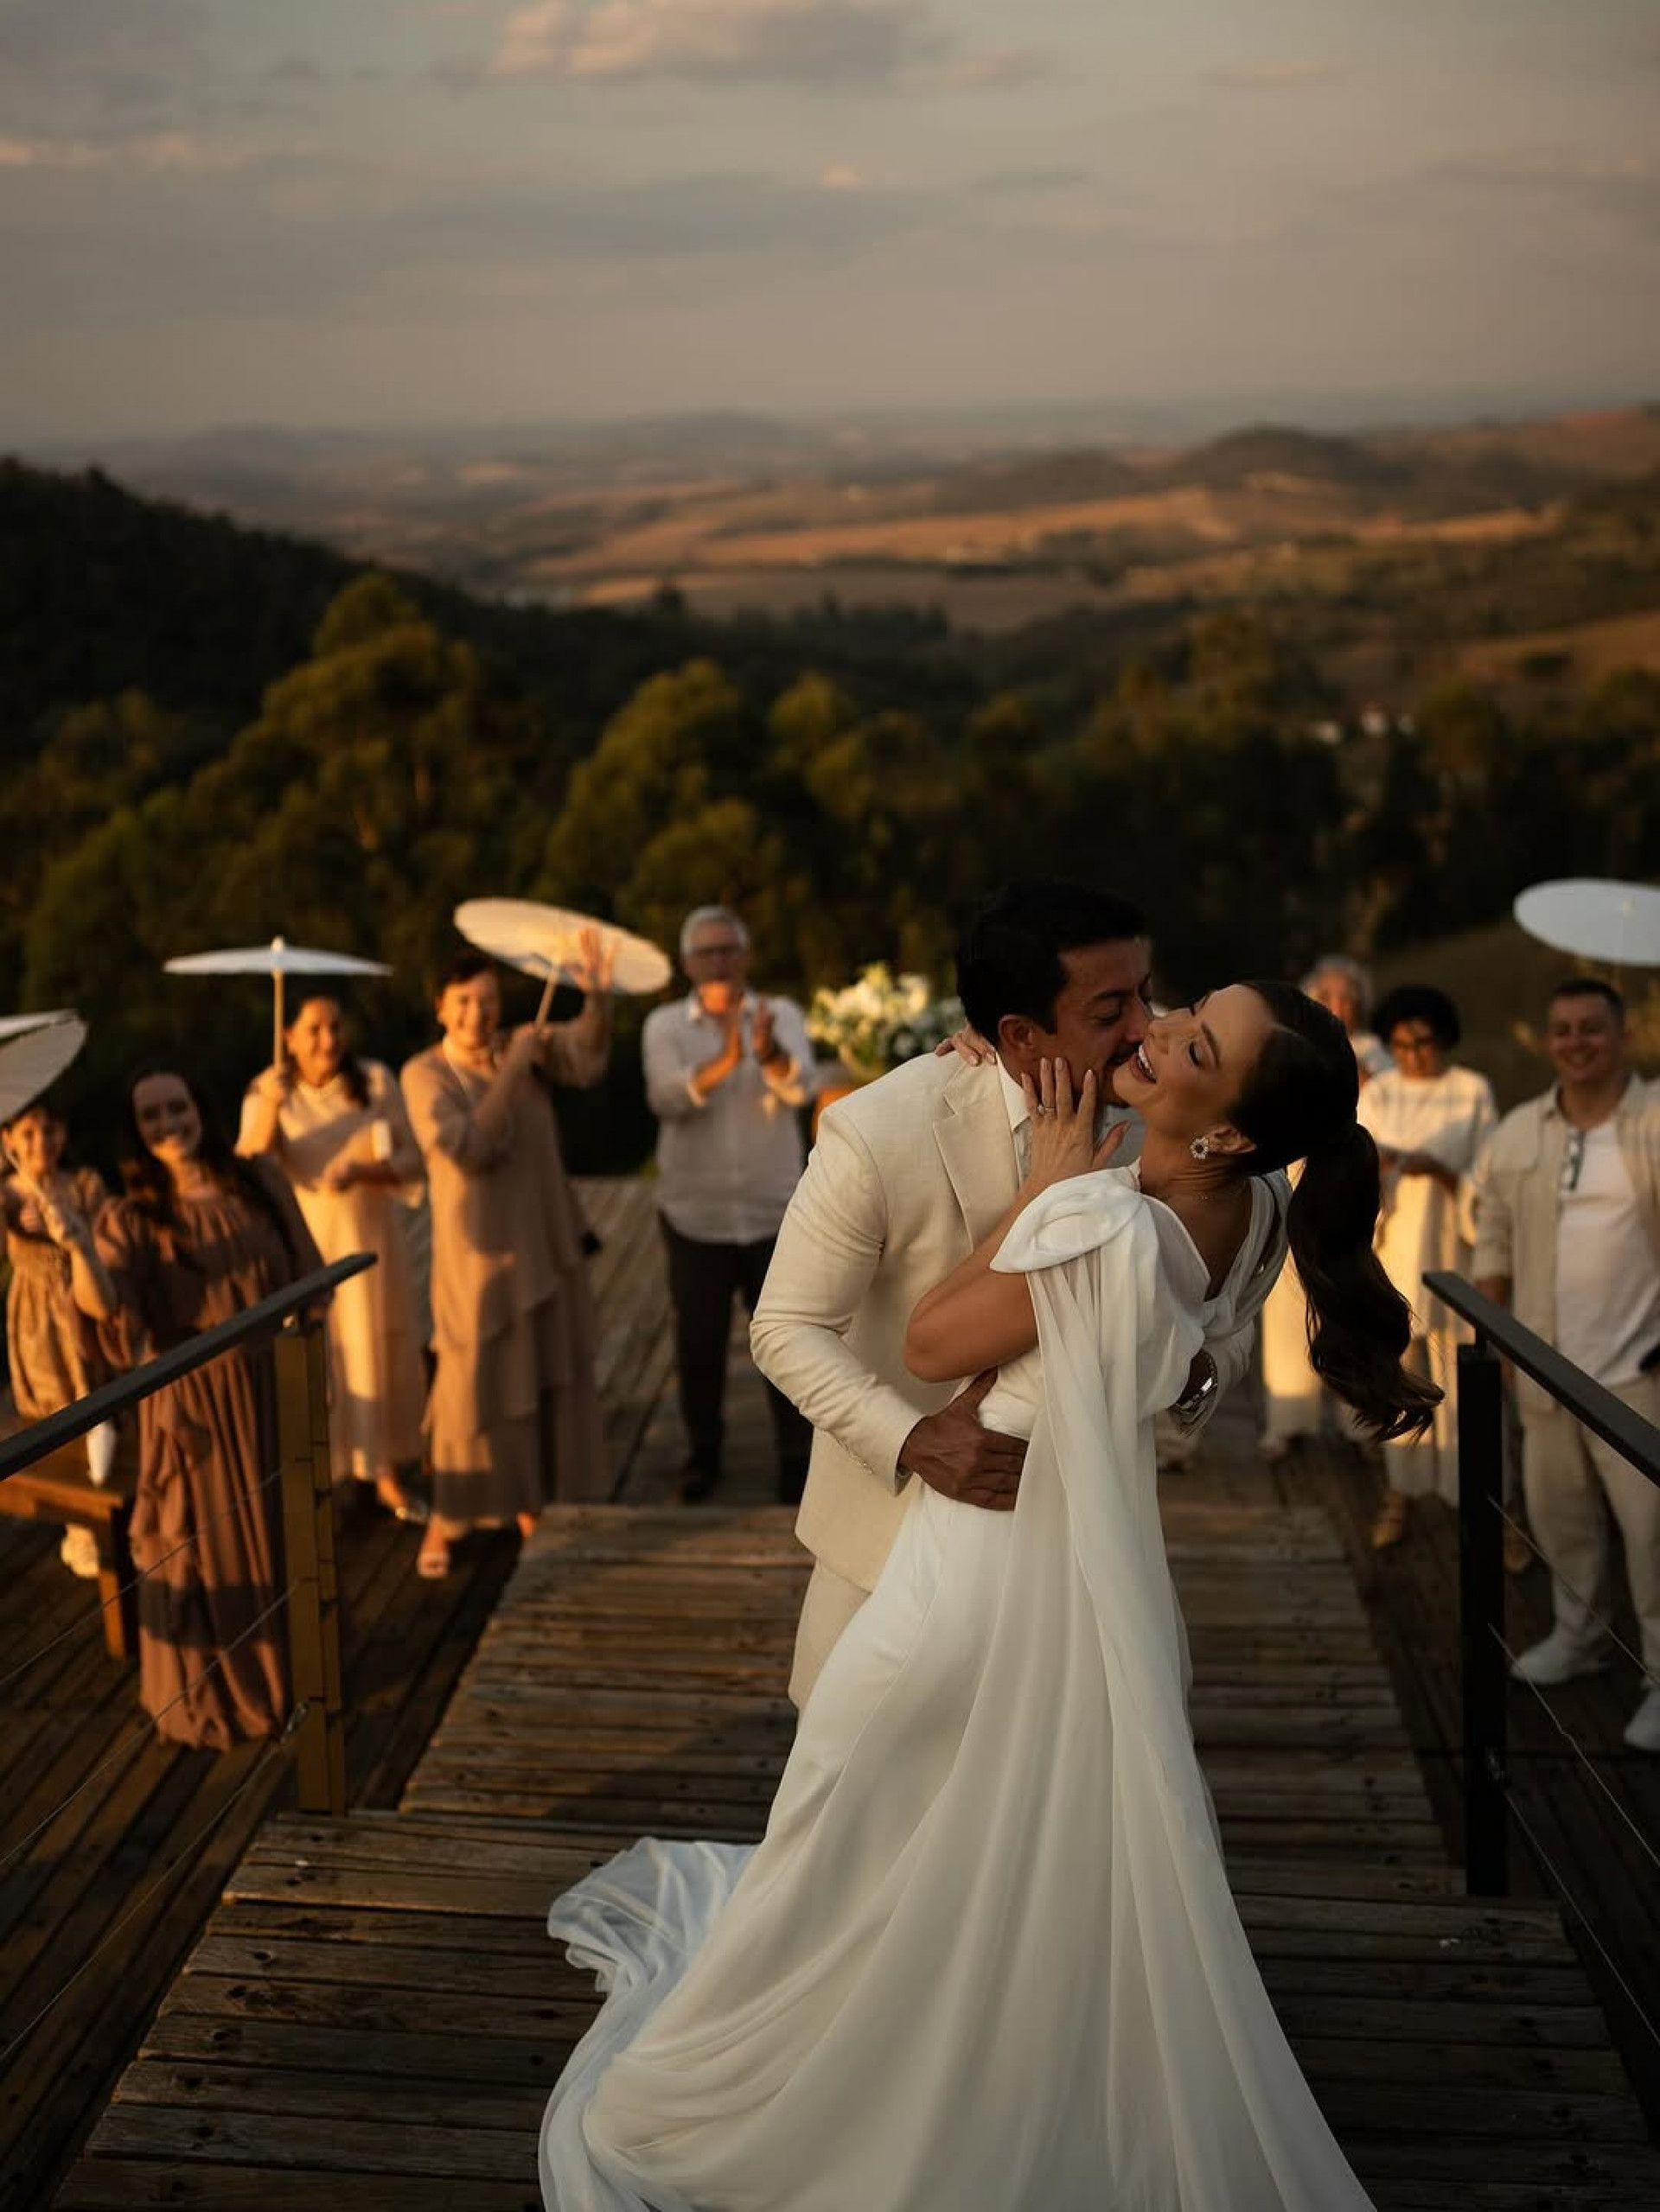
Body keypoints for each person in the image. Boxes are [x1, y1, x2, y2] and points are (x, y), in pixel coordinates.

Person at [540, 984, 1434, 2211]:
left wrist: (1050, 1184)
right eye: (1177, 1008)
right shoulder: (1257, 1205)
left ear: (1223, 1126)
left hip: (979, 1560)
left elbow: (932, 1340)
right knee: (996, 1821)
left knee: (844, 1792)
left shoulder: (1111, 1230)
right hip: (1078, 1560)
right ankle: (962, 2025)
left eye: (1191, 1042)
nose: (1157, 1026)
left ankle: (842, 2071)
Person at [751, 879, 1285, 1710]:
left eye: (1148, 993)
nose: (1146, 1026)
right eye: (1112, 1010)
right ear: (1016, 1033)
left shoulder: (1171, 1106)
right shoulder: (879, 1128)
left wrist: (1193, 1378)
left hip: (1084, 1549)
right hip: (885, 1542)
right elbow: (785, 1327)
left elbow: (1237, 1304)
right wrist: (912, 1437)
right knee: (850, 1787)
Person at [74, 1066, 322, 1751]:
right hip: (195, 1408)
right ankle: (230, 1692)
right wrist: (73, 1240)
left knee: (286, 1530)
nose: (167, 1124)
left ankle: (301, 1675)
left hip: (275, 1390)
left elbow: (311, 1273)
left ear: (201, 1109)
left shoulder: (259, 1182)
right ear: (136, 1130)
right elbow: (108, 1313)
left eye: (177, 1107)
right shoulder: (129, 1217)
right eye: (150, 1116)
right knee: (205, 1550)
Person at [1471, 978, 1660, 1753]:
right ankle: (1578, 1635)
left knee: (1652, 1534)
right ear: (1547, 1041)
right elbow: (1494, 1241)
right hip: (1546, 1363)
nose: (1576, 1041)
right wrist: (1498, 1339)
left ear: (1621, 1036)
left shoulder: (1653, 1122)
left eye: (1591, 1028)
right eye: (1562, 1030)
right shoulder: (1519, 1130)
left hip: (1639, 1370)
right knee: (1560, 1514)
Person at [400, 940, 613, 1579]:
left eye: (489, 1000)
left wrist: (597, 996)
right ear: (440, 1006)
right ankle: (451, 1511)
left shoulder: (526, 1046)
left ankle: (531, 1500)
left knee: (545, 1374)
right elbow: (466, 1146)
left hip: (546, 1242)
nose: (477, 1013)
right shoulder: (425, 1073)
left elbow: (585, 1055)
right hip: (478, 1262)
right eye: (464, 1001)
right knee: (472, 1385)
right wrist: (515, 1064)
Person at [642, 906, 816, 1505]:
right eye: (707, 951)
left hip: (774, 1209)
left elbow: (803, 1087)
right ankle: (704, 1453)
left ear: (745, 956)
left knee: (787, 1337)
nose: (719, 961)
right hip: (697, 1214)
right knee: (700, 1340)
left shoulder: (782, 1013)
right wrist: (726, 1056)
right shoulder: (664, 1025)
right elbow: (666, 1100)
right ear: (688, 962)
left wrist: (765, 1053)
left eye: (728, 950)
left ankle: (796, 1459)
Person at [238, 994, 427, 1520]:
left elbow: (413, 1160)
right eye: (315, 1029)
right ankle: (325, 1472)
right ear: (289, 1037)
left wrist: (361, 1172)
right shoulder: (265, 1091)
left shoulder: (374, 1080)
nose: (328, 1040)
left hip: (369, 1239)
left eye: (336, 1027)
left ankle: (384, 1470)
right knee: (320, 1359)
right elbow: (246, 1170)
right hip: (306, 1245)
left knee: (373, 1351)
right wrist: (272, 1108)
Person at [1356, 984, 1497, 1549]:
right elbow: (1355, 1158)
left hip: (1452, 1250)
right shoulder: (1381, 1091)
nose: (1414, 1054)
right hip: (1393, 1249)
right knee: (1400, 1381)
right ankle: (1403, 1491)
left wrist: (1443, 1172)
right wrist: (1381, 1167)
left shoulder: (1471, 1092)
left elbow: (1490, 1180)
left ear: (1444, 1040)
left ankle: (1487, 1501)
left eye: (1425, 1043)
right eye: (1402, 1044)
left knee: (1468, 1383)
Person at [1258, 954, 1391, 1461]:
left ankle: (1360, 1422)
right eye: (1327, 996)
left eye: (1347, 997)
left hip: (1350, 1189)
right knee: (1286, 1302)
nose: (1338, 1005)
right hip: (1295, 1185)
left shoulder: (1381, 1056)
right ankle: (1287, 1421)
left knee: (1348, 1302)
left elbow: (1388, 1117)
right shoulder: (1290, 1045)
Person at [2, 1101, 118, 1576]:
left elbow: (111, 1237)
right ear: (9, 1139)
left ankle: (106, 1498)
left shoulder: (83, 1183)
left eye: (48, 1131)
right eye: (27, 1133)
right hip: (37, 1317)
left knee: (100, 1395)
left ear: (63, 1134)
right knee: (54, 1406)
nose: (39, 1144)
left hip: (84, 1301)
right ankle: (80, 1522)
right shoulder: (7, 1194)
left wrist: (67, 1219)